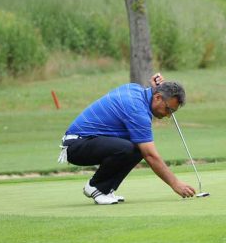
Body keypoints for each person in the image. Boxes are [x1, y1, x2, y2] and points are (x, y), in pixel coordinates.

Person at [59, 73, 197, 204]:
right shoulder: (138, 111)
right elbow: (150, 155)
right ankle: (96, 187)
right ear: (158, 98)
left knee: (137, 148)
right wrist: (175, 184)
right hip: (77, 145)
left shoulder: (135, 89)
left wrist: (158, 88)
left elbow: (144, 151)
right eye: (169, 110)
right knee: (131, 149)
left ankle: (106, 190)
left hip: (88, 141)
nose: (168, 115)